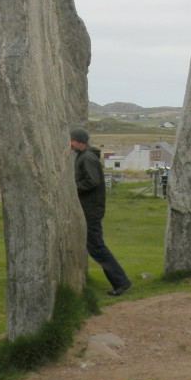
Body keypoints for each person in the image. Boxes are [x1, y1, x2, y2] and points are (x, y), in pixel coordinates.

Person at [71, 127, 132, 297]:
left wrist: (73, 189)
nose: (70, 143)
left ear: (79, 141)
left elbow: (92, 181)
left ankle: (121, 281)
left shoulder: (87, 158)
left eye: (72, 140)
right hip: (90, 209)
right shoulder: (84, 156)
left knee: (97, 247)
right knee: (96, 246)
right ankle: (120, 281)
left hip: (91, 210)